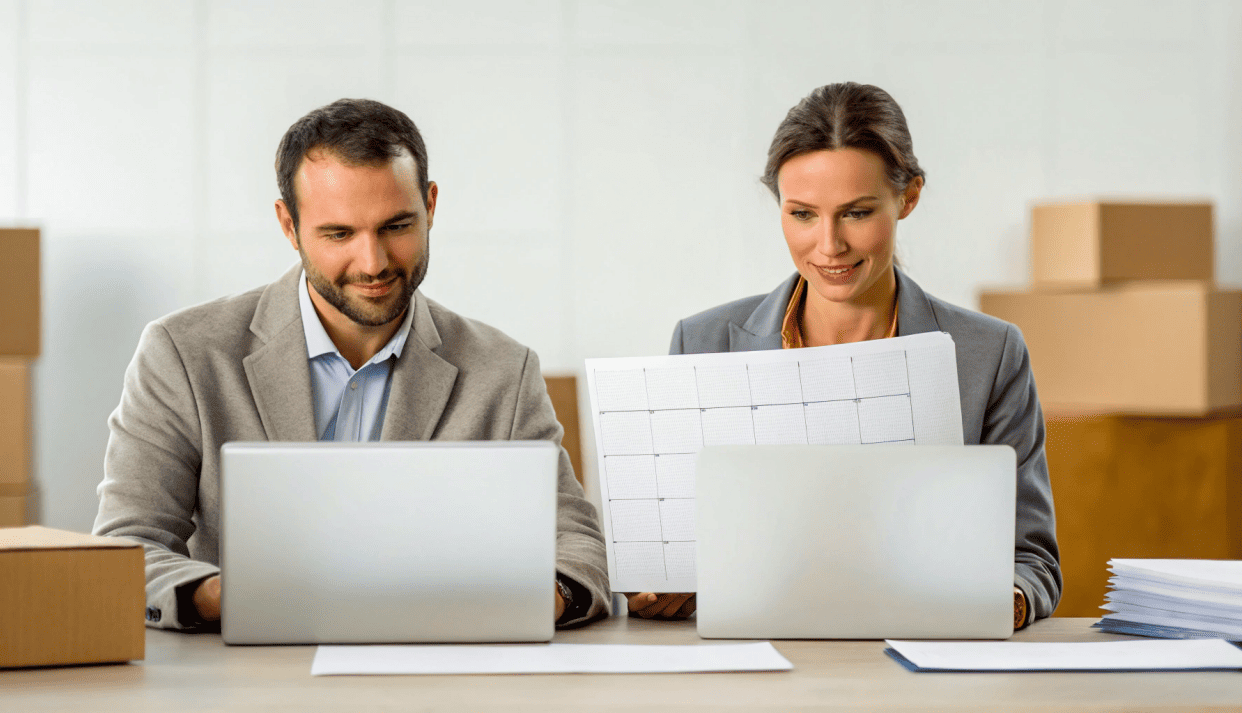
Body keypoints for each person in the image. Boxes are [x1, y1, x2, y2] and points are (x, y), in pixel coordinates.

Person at [93, 98, 610, 630]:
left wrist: (529, 600)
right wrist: (224, 596)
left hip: (440, 663)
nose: (374, 263)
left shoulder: (502, 370)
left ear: (430, 206)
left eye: (397, 226)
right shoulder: (183, 353)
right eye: (339, 234)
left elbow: (576, 544)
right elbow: (126, 545)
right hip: (249, 670)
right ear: (289, 226)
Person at [630, 82, 1061, 628]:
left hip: (919, 652)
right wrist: (655, 586)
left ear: (909, 197)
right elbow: (665, 546)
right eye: (803, 214)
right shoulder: (703, 343)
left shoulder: (989, 354)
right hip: (748, 652)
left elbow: (1034, 562)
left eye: (856, 213)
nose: (829, 246)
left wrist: (1006, 600)